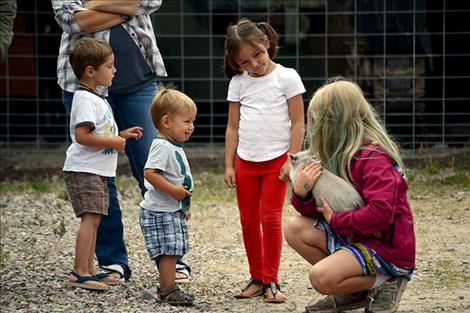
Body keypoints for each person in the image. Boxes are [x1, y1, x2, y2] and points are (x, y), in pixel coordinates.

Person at [51, 0, 191, 283]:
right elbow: (71, 21)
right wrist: (125, 8)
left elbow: (150, 2)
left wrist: (93, 5)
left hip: (138, 82)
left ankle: (172, 259)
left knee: (155, 169)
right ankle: (112, 261)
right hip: (83, 86)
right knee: (99, 175)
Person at [284, 77, 415, 313]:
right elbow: (318, 208)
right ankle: (354, 292)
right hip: (356, 235)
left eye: (317, 123)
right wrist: (302, 192)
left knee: (321, 279)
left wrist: (337, 221)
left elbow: (382, 212)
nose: (314, 130)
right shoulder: (334, 154)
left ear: (335, 122)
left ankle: (388, 281)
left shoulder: (373, 157)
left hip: (384, 245)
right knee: (295, 229)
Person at [223, 18, 306, 303]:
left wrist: (291, 160)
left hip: (276, 162)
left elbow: (298, 123)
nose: (254, 64)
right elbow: (232, 127)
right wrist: (229, 164)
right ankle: (256, 277)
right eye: (245, 62)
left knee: (270, 220)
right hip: (246, 161)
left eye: (257, 54)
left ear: (267, 43)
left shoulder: (288, 77)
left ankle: (271, 279)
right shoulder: (238, 83)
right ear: (236, 64)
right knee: (248, 221)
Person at [63, 38, 143, 290]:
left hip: (96, 170)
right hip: (86, 170)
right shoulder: (86, 99)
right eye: (109, 66)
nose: (114, 70)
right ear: (90, 71)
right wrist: (114, 141)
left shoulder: (97, 98)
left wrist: (122, 135)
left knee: (95, 219)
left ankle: (87, 270)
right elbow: (83, 136)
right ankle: (79, 271)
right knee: (90, 219)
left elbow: (100, 131)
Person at [139, 86, 196, 306]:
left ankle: (168, 286)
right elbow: (150, 173)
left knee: (173, 248)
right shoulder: (162, 146)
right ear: (166, 122)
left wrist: (182, 206)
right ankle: (167, 289)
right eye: (187, 121)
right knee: (168, 250)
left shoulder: (173, 145)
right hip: (159, 211)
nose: (191, 127)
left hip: (170, 209)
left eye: (192, 121)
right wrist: (173, 192)